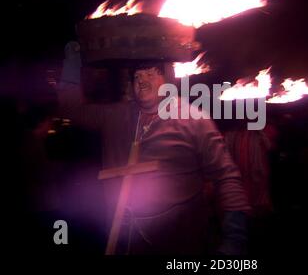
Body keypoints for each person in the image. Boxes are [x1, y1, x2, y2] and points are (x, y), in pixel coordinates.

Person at [57, 41, 250, 254]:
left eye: (151, 74)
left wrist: (234, 234)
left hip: (178, 243)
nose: (142, 80)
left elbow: (226, 176)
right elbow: (70, 108)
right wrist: (72, 62)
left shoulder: (193, 120)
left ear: (167, 80)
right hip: (122, 238)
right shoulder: (116, 115)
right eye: (138, 76)